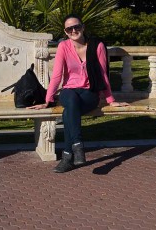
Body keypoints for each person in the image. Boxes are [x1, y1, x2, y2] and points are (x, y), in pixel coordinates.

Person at [28, 14, 129, 173]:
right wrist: (48, 99)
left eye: (77, 27)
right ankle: (78, 145)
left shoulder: (97, 46)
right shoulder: (64, 47)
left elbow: (103, 74)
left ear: (83, 27)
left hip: (90, 92)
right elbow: (57, 75)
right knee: (71, 101)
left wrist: (110, 100)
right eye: (69, 29)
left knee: (69, 112)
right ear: (65, 32)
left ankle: (68, 156)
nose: (74, 30)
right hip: (69, 91)